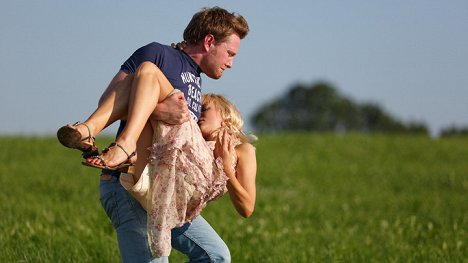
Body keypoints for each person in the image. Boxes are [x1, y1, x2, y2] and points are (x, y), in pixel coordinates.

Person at [58, 6, 249, 263]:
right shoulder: (159, 53)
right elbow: (111, 100)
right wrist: (160, 111)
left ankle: (89, 132)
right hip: (131, 186)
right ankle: (90, 131)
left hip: (167, 191)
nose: (231, 63)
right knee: (148, 70)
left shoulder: (196, 78)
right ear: (209, 41)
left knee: (216, 256)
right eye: (230, 53)